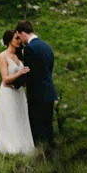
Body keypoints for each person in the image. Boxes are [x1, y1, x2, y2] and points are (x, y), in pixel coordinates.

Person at [13, 20, 58, 149]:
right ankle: (51, 154)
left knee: (36, 128)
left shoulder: (30, 49)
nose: (20, 40)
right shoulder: (46, 46)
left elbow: (28, 72)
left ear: (23, 34)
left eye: (20, 36)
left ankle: (39, 156)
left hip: (37, 94)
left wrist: (15, 84)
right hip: (49, 91)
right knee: (48, 126)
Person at [0, 28, 35, 155]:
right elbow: (5, 79)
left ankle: (24, 148)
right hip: (8, 93)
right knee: (10, 119)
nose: (19, 41)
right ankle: (11, 149)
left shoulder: (19, 55)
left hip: (19, 92)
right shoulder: (3, 56)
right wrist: (20, 73)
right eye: (16, 38)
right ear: (9, 41)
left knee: (21, 118)